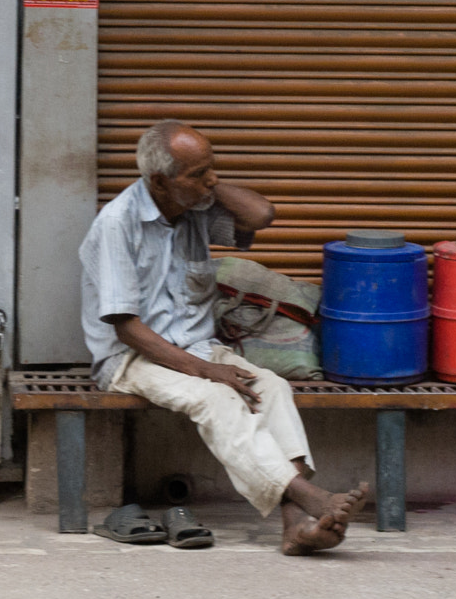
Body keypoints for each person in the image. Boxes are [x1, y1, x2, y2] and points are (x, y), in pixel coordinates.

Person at [78, 120, 369, 555]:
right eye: (197, 174)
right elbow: (127, 327)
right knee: (217, 398)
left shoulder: (194, 209)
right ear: (158, 181)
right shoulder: (118, 224)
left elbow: (261, 215)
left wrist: (203, 181)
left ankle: (293, 525)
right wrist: (210, 372)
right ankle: (309, 499)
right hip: (131, 358)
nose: (210, 180)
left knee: (272, 386)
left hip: (197, 348)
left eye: (211, 168)